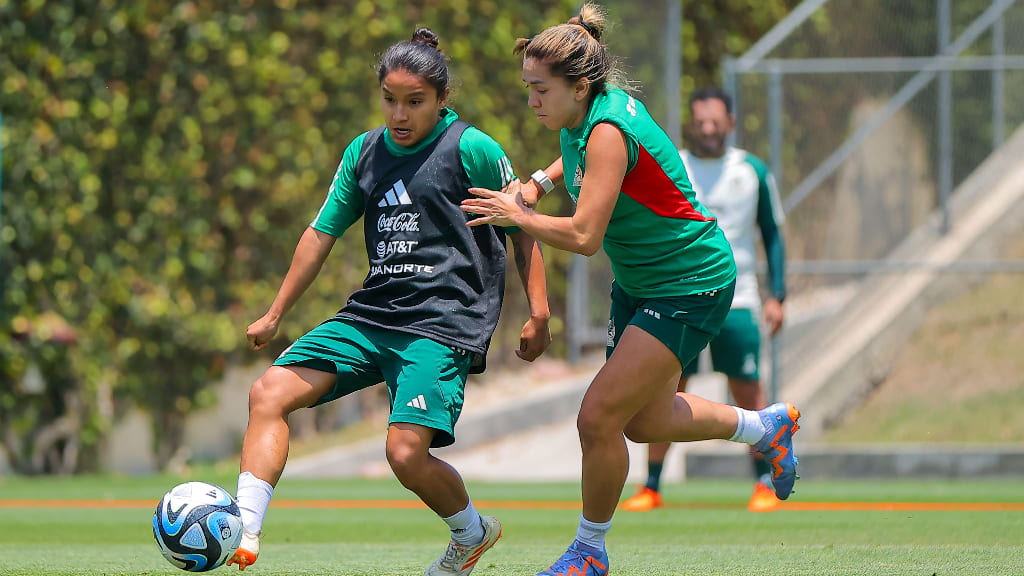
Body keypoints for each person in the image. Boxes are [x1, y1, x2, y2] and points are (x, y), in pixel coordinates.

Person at [460, 5, 799, 575]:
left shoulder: (608, 130)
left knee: (597, 418)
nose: (532, 101)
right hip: (642, 284)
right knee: (642, 422)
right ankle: (765, 427)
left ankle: (589, 553)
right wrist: (539, 184)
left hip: (690, 283)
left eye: (540, 90)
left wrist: (511, 214)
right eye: (528, 89)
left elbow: (587, 236)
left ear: (579, 86)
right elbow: (575, 159)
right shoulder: (583, 117)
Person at [227, 28, 552, 576]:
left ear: (442, 100)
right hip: (373, 314)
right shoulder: (364, 151)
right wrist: (276, 311)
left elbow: (523, 229)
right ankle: (242, 529)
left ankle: (471, 534)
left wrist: (539, 313)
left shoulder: (472, 148)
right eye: (390, 100)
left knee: (404, 454)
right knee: (268, 393)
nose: (400, 114)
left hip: (443, 321)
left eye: (415, 102)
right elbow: (320, 233)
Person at [621, 86, 788, 514]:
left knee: (747, 389)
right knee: (667, 387)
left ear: (731, 123)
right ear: (690, 125)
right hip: (681, 294)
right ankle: (652, 485)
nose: (707, 130)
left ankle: (764, 483)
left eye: (715, 122)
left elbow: (771, 234)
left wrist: (778, 295)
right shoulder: (674, 163)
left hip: (740, 297)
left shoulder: (751, 170)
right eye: (700, 123)